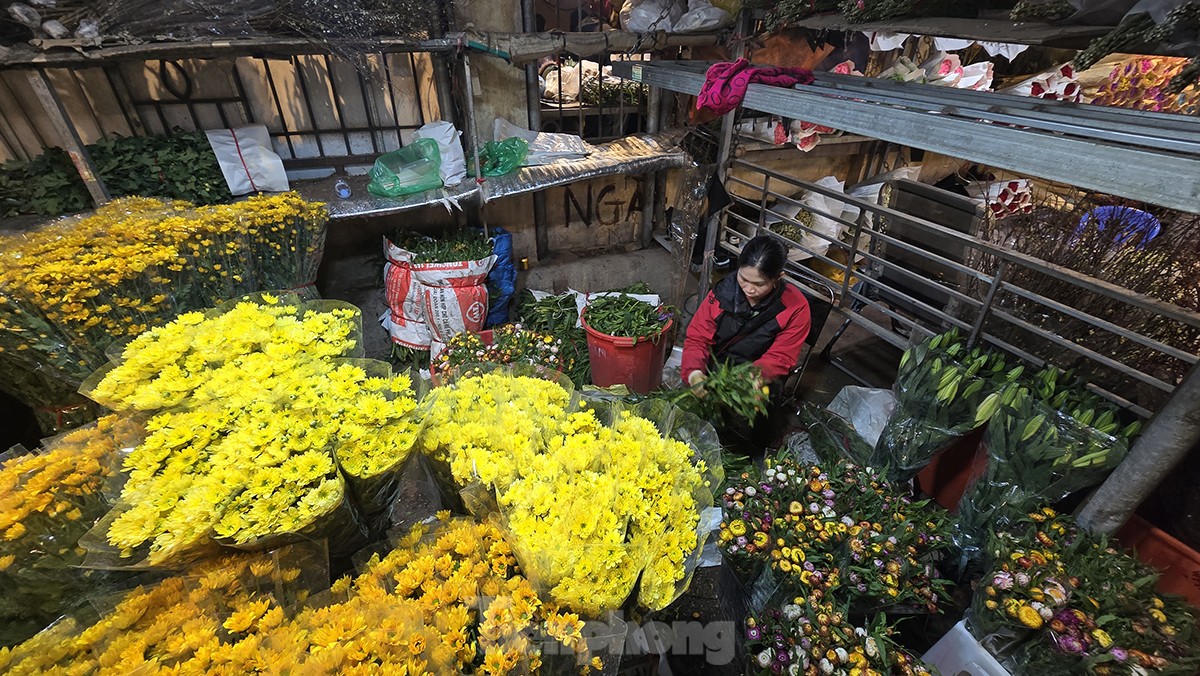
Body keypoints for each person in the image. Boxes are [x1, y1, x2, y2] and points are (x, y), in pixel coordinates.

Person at [681, 234, 811, 452]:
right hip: (720, 365)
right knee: (705, 423)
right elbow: (698, 337)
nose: (749, 289)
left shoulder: (795, 307)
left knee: (761, 430)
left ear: (778, 277)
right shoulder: (723, 293)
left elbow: (781, 357)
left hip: (761, 373)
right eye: (744, 279)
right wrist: (694, 372)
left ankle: (758, 451)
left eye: (759, 284)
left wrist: (755, 375)